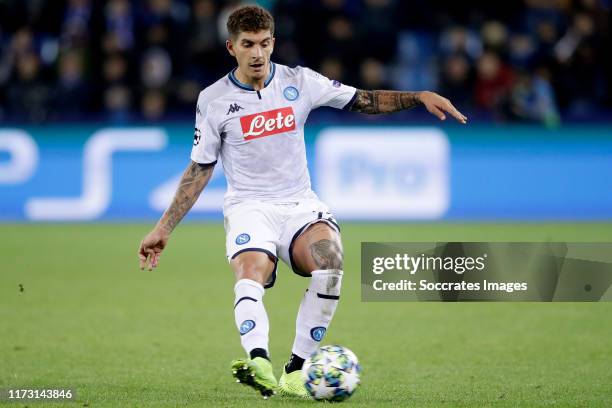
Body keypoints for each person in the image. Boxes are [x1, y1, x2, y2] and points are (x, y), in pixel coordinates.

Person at [138, 5, 467, 399]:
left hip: (298, 203)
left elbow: (362, 99)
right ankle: (258, 360)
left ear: (273, 42)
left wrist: (418, 96)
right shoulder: (213, 101)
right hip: (249, 206)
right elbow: (199, 169)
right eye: (248, 45)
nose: (257, 53)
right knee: (252, 269)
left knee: (330, 262)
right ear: (231, 47)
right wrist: (164, 227)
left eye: (264, 43)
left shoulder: (301, 82)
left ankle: (296, 370)